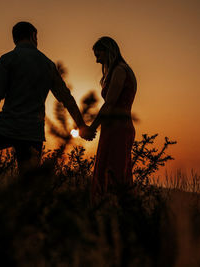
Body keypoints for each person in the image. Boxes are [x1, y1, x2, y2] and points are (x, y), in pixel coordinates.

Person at [0, 21, 93, 174]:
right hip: (32, 133)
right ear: (33, 35)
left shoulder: (8, 59)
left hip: (5, 127)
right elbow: (66, 99)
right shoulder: (48, 64)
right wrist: (81, 125)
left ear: (15, 38)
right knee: (29, 186)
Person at [80, 36, 137, 198]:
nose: (97, 61)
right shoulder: (118, 71)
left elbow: (110, 103)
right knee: (109, 171)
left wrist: (92, 127)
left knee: (114, 172)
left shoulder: (120, 70)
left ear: (108, 52)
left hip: (118, 128)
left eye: (99, 56)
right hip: (112, 128)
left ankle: (115, 212)